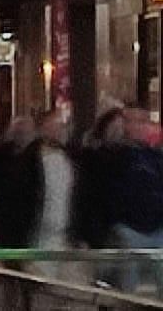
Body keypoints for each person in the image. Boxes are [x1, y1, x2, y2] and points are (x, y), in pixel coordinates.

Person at [76, 106, 163, 291]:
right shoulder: (108, 157)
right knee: (126, 289)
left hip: (155, 230)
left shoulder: (154, 157)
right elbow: (94, 197)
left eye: (143, 122)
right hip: (125, 231)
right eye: (133, 121)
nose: (140, 127)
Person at [0, 108, 74, 253]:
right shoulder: (29, 159)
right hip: (32, 230)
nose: (60, 130)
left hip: (52, 229)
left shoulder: (61, 158)